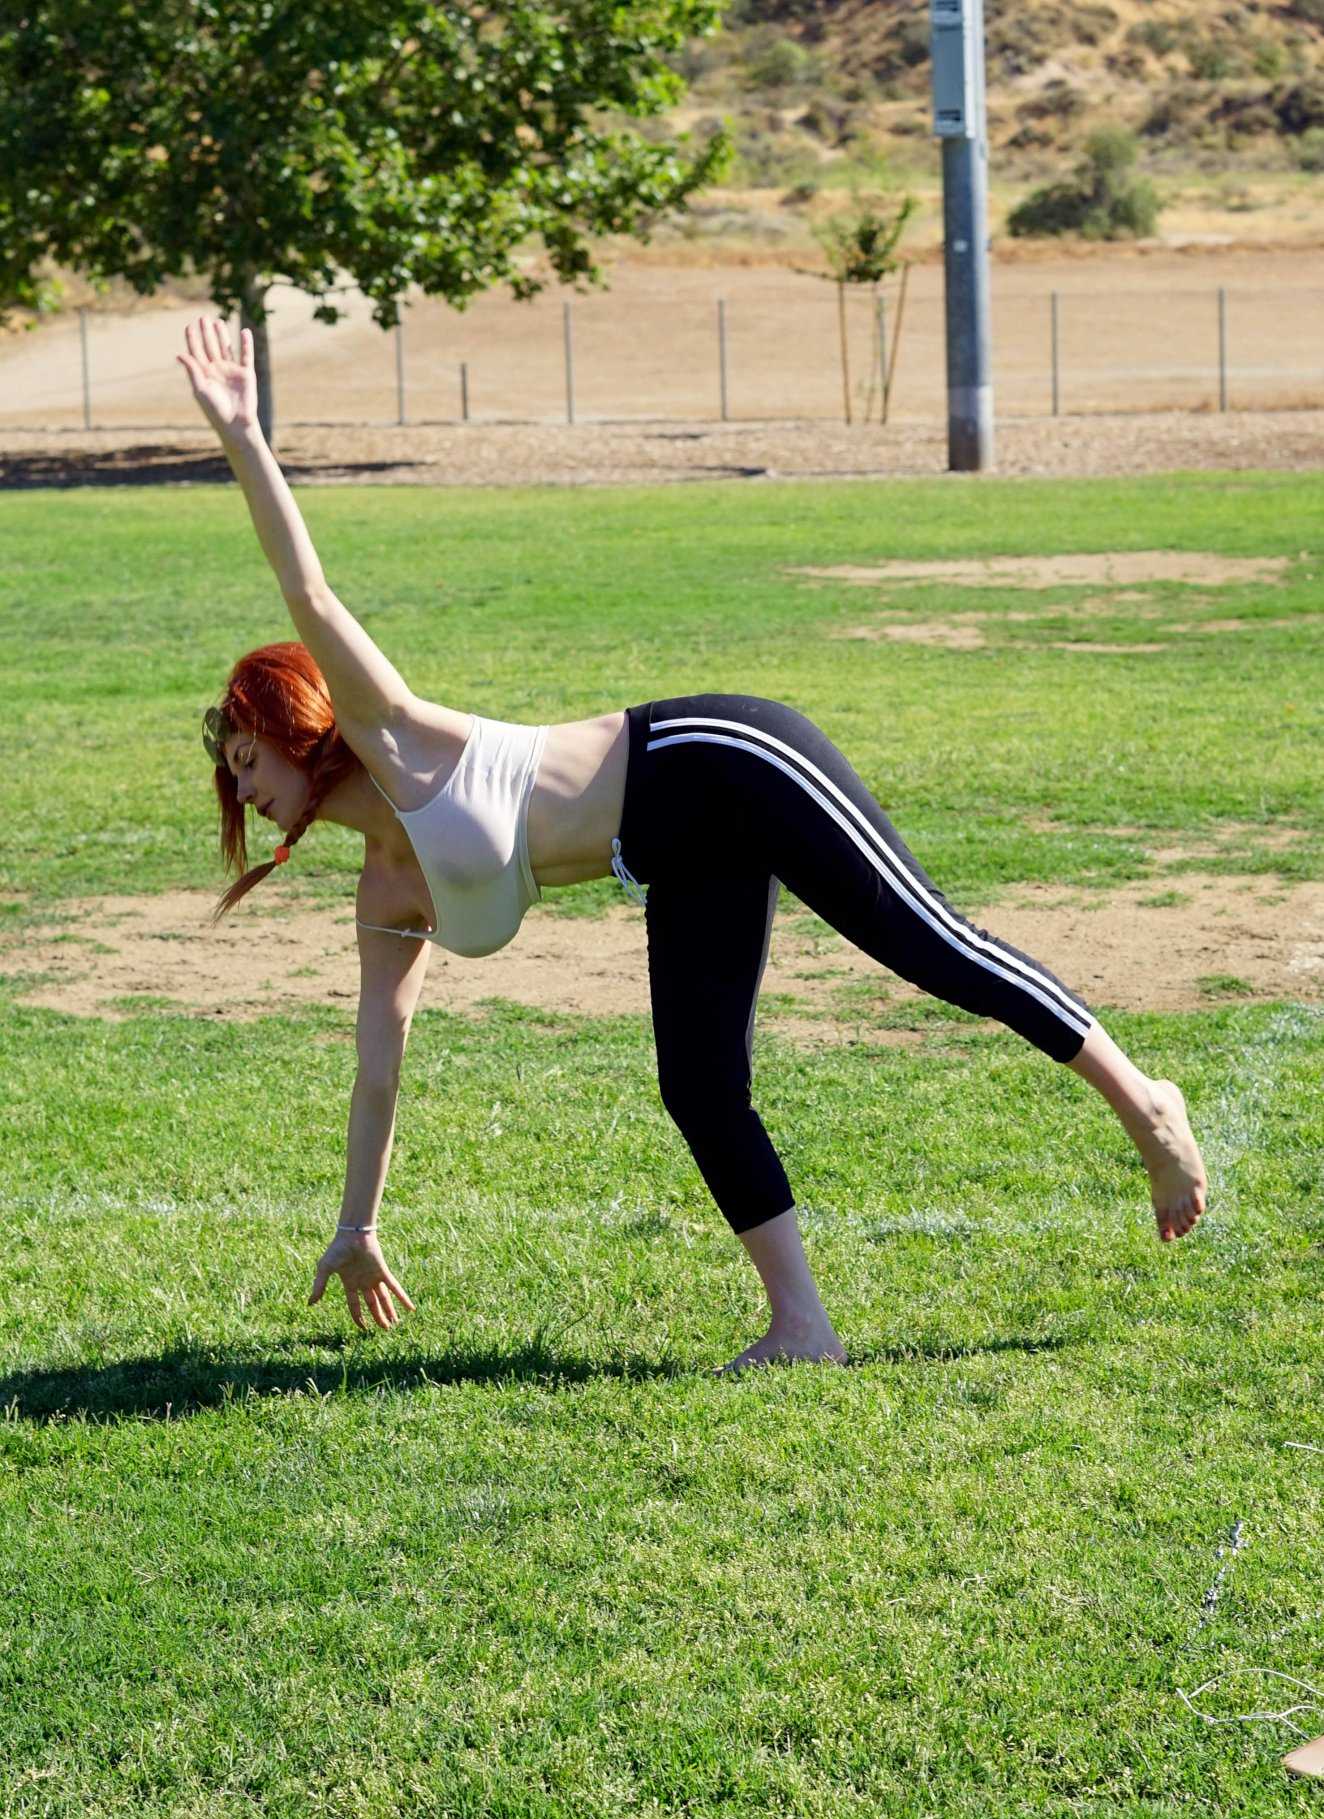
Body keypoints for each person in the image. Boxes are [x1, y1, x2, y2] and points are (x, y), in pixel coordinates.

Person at [179, 317, 1208, 1366]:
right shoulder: (386, 896)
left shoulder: (393, 736)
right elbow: (377, 1067)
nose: (245, 791)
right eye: (235, 779)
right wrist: (357, 1225)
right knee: (698, 1085)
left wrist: (242, 436)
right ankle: (802, 1326)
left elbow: (308, 590)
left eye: (250, 760)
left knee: (929, 946)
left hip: (720, 759)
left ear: (303, 727)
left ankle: (1146, 1107)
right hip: (673, 851)